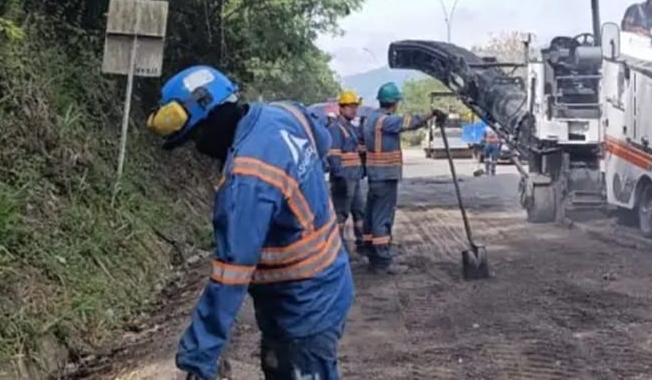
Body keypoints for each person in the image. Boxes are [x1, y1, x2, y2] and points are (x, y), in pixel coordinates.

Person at [145, 65, 353, 380]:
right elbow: (322, 140)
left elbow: (232, 272)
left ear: (213, 117)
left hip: (303, 306)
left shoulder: (247, 179)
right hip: (330, 280)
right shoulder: (283, 113)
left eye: (197, 136)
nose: (199, 148)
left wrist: (199, 356)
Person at [361, 82, 441, 274]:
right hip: (385, 175)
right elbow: (409, 122)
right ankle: (382, 260)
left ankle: (372, 255)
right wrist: (431, 114)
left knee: (371, 216)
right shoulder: (385, 121)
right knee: (382, 218)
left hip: (375, 175)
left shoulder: (370, 119)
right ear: (394, 102)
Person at [326, 89, 366, 256]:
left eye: (355, 106)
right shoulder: (336, 129)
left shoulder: (351, 128)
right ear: (341, 108)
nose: (353, 110)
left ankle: (362, 244)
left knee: (359, 212)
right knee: (341, 215)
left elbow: (357, 147)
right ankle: (339, 249)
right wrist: (339, 177)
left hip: (354, 177)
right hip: (343, 179)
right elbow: (333, 156)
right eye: (350, 107)